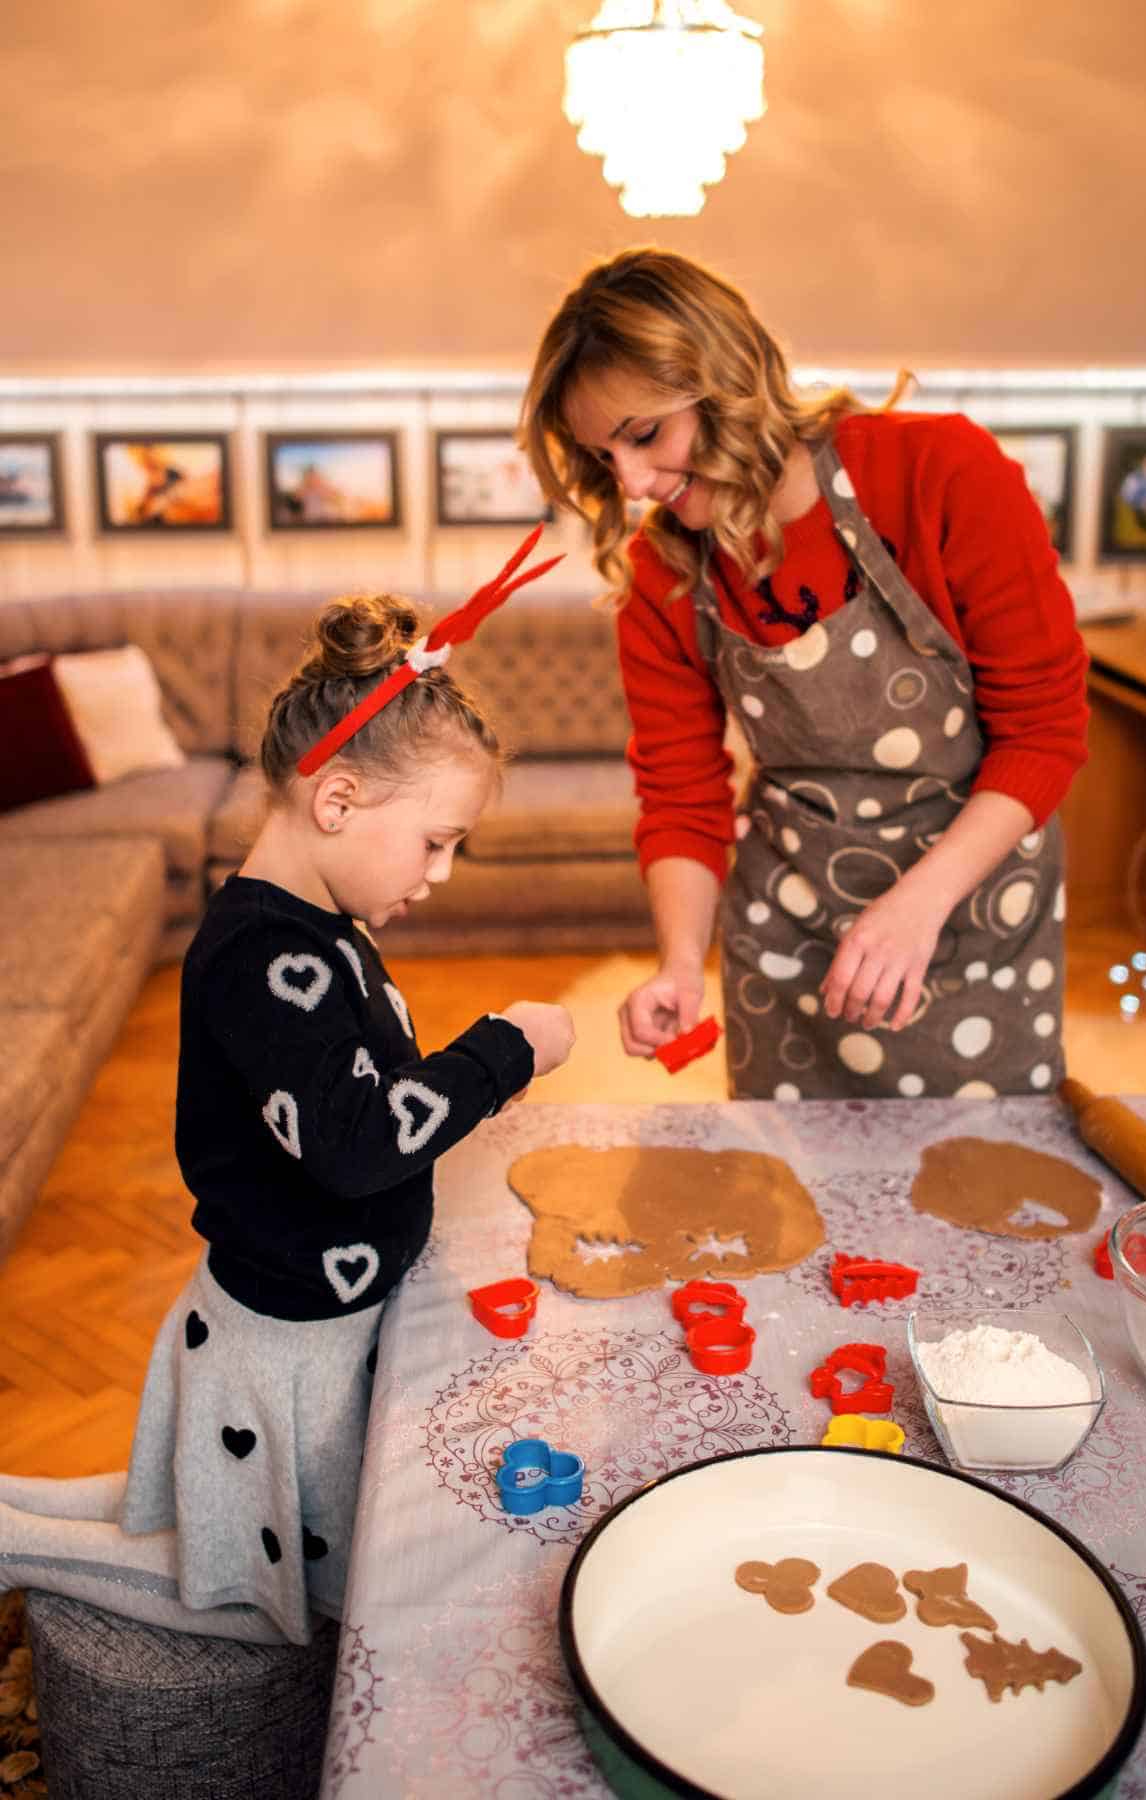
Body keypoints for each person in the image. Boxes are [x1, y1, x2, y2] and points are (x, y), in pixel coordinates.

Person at [0, 575, 574, 1644]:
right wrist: (507, 1051)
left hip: (305, 1323)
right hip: (285, 1348)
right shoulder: (266, 957)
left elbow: (361, 1097)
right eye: (437, 840)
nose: (442, 874)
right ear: (339, 801)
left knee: (205, 1526)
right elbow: (358, 1145)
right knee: (259, 1597)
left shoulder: (318, 926)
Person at [520, 247, 1089, 1101]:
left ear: (729, 376)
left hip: (969, 911)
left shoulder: (938, 474)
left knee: (989, 1186)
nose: (634, 484)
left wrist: (917, 904)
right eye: (606, 459)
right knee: (793, 1198)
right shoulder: (664, 573)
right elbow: (681, 794)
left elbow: (1043, 731)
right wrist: (679, 963)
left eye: (645, 435)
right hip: (787, 931)